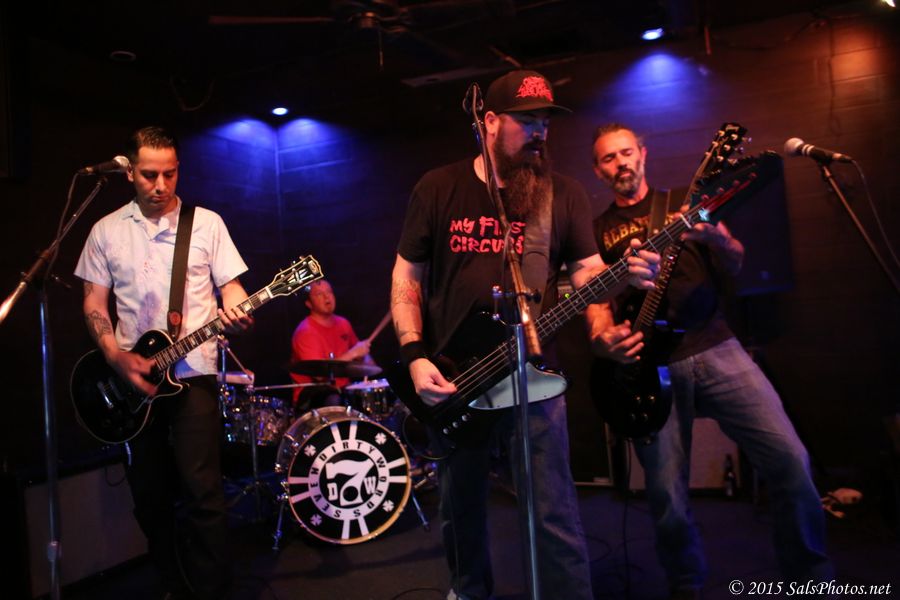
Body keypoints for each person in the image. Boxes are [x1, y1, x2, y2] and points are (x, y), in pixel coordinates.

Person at [390, 71, 659, 600]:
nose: (539, 131)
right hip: (456, 374)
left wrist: (620, 275)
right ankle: (469, 591)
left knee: (553, 508)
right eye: (526, 120)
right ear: (490, 122)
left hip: (534, 374)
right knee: (462, 510)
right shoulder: (439, 187)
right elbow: (407, 276)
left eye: (544, 122)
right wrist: (415, 354)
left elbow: (587, 274)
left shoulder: (563, 193)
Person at [587, 123, 832, 599]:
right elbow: (595, 300)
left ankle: (811, 579)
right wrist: (601, 337)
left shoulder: (686, 202)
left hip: (715, 344)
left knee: (790, 460)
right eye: (608, 158)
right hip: (650, 367)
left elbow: (737, 259)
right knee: (666, 495)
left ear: (642, 154)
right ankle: (685, 583)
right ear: (598, 171)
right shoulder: (598, 230)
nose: (620, 163)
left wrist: (717, 237)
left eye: (626, 152)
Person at [75, 126, 253, 599]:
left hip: (193, 374)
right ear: (129, 172)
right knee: (149, 495)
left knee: (203, 492)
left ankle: (213, 591)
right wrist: (115, 357)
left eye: (170, 174)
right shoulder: (106, 230)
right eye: (149, 175)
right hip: (131, 382)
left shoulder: (207, 224)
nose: (160, 185)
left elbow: (232, 286)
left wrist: (236, 309)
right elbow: (94, 302)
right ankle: (174, 585)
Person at [289, 279, 373, 408]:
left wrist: (366, 360)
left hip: (343, 391)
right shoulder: (305, 331)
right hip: (312, 398)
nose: (326, 297)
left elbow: (363, 358)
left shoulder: (343, 323)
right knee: (333, 398)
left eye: (329, 292)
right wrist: (353, 353)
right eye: (319, 294)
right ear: (308, 303)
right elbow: (319, 375)